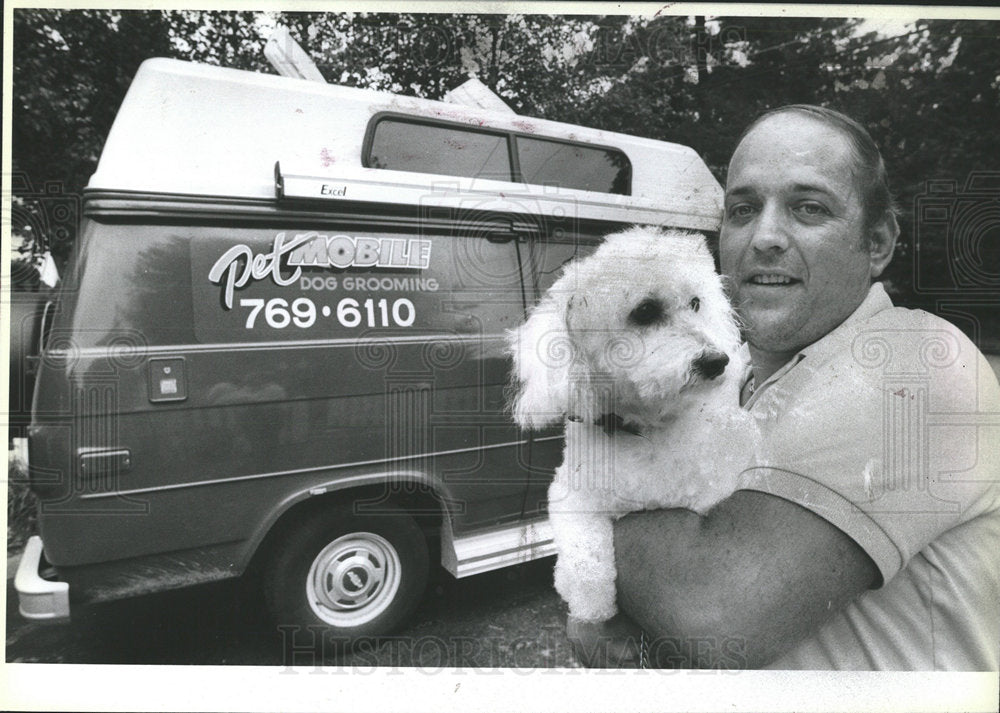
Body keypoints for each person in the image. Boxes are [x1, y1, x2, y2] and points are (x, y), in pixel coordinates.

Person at [569, 105, 1000, 670]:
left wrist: (592, 503)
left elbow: (714, 611)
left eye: (809, 208)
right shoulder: (729, 376)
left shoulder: (911, 363)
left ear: (878, 243)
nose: (765, 237)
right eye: (743, 209)